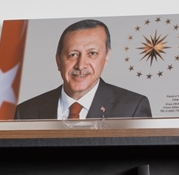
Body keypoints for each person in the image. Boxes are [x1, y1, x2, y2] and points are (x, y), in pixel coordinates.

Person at [14, 19, 153, 120]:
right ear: (58, 61)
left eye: (92, 53)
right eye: (73, 55)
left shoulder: (132, 109)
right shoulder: (26, 112)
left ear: (106, 57)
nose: (80, 66)